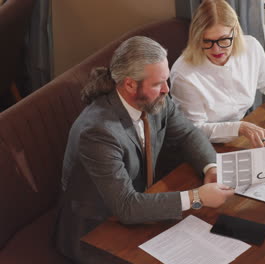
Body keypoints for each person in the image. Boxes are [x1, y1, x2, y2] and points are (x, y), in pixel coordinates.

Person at [55, 36, 235, 263]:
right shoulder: (98, 133)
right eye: (158, 83)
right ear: (130, 84)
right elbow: (127, 208)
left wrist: (210, 167)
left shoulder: (155, 100)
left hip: (140, 205)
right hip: (96, 230)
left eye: (166, 80)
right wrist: (197, 197)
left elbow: (188, 133)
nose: (166, 89)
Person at [170, 0, 265, 148]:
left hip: (242, 136)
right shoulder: (184, 75)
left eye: (223, 39)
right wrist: (239, 127)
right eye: (207, 41)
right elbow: (195, 129)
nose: (216, 50)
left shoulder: (251, 47)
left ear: (235, 32)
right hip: (205, 146)